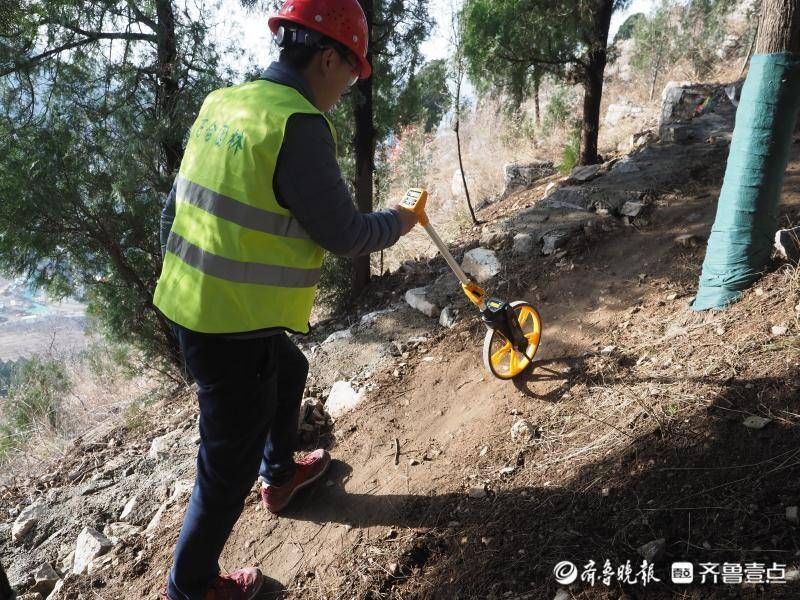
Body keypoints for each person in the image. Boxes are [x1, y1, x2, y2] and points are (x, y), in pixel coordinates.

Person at [153, 0, 417, 597]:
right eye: (351, 72)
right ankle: (190, 584)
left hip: (194, 305)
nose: (348, 87)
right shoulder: (296, 125)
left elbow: (174, 211)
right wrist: (399, 220)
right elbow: (346, 232)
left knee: (290, 365)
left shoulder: (225, 103)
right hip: (230, 328)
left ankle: (280, 473)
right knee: (224, 465)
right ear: (328, 57)